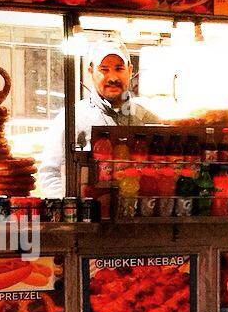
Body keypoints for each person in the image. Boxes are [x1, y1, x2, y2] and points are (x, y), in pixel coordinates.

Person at [39, 38, 160, 197]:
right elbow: (50, 173)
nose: (113, 78)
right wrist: (70, 211)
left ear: (130, 71)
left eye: (119, 68)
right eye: (104, 69)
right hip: (88, 216)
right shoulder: (72, 118)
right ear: (91, 72)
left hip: (135, 215)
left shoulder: (146, 119)